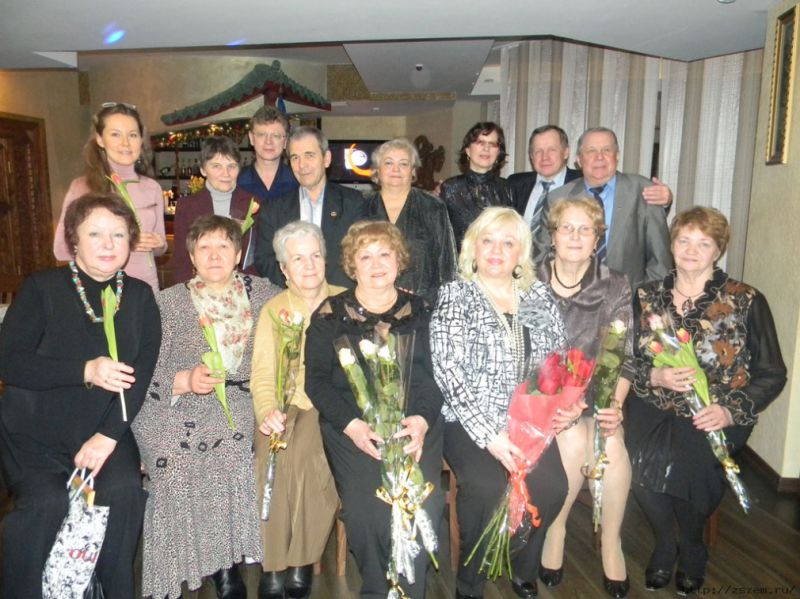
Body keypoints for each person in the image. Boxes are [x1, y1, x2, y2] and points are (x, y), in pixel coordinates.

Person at [0, 193, 161, 599]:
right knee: (45, 504)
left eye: (118, 235)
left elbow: (139, 378)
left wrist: (108, 436)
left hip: (103, 430)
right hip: (34, 435)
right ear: (74, 239)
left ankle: (114, 590)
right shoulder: (42, 288)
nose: (108, 244)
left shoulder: (141, 297)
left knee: (124, 492)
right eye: (95, 234)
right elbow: (9, 362)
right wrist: (85, 370)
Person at [627, 207, 786, 595]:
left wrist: (730, 411)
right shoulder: (647, 296)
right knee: (638, 469)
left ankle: (692, 545)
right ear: (672, 245)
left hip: (716, 411)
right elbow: (625, 358)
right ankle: (666, 542)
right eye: (684, 240)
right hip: (654, 404)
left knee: (692, 468)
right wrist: (655, 376)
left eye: (704, 243)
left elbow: (772, 372)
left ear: (718, 250)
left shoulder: (745, 300)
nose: (691, 250)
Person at [132, 215, 280, 599]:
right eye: (204, 248)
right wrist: (184, 380)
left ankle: (226, 565)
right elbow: (145, 367)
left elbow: (297, 328)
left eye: (223, 247)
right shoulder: (167, 303)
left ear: (238, 254)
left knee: (227, 450)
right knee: (175, 460)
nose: (214, 256)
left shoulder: (265, 295)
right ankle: (204, 561)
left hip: (245, 398)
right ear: (192, 256)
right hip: (180, 400)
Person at [430, 206, 570, 599]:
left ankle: (522, 565)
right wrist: (490, 435)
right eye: (487, 240)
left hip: (528, 420)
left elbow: (555, 358)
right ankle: (470, 582)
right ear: (472, 248)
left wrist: (557, 409)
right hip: (468, 421)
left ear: (520, 253)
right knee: (485, 487)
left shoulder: (536, 295)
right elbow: (448, 372)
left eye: (508, 243)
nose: (496, 250)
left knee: (553, 487)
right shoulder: (456, 296)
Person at [305, 221, 445, 599]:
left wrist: (421, 421)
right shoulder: (329, 315)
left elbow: (438, 376)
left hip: (413, 425)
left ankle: (410, 591)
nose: (377, 263)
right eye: (365, 256)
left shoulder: (423, 311)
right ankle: (376, 589)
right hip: (354, 428)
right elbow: (316, 382)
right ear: (352, 266)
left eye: (385, 254)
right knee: (366, 511)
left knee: (421, 503)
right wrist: (352, 425)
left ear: (400, 261)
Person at [534, 197, 633, 598]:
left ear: (597, 239)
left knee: (612, 443)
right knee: (573, 437)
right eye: (567, 228)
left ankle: (611, 542)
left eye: (585, 229)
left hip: (599, 392)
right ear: (553, 236)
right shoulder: (529, 279)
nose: (575, 236)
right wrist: (561, 401)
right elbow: (522, 354)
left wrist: (614, 406)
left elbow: (623, 355)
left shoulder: (615, 283)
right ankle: (555, 529)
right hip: (541, 395)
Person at [250, 221, 342, 599]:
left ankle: (302, 558)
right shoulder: (275, 309)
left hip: (330, 404)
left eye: (315, 255)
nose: (309, 265)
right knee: (268, 454)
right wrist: (267, 411)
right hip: (285, 402)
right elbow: (262, 372)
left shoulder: (345, 301)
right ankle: (273, 562)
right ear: (284, 269)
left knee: (304, 455)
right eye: (298, 259)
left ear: (326, 259)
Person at [534, 126, 673, 291]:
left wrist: (646, 300)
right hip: (572, 299)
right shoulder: (558, 198)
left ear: (617, 155)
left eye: (606, 150)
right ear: (579, 159)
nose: (599, 157)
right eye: (591, 151)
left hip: (630, 298)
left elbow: (660, 259)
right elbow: (541, 255)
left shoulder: (644, 191)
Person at [54, 102, 167, 291]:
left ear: (141, 140)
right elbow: (61, 249)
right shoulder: (81, 188)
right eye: (115, 134)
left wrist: (157, 244)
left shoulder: (152, 187)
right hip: (99, 288)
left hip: (146, 287)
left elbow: (160, 248)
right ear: (100, 139)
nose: (125, 143)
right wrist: (123, 242)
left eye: (133, 135)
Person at [254, 126, 368, 288]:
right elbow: (265, 260)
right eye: (295, 158)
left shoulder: (354, 203)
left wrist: (330, 293)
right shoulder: (273, 209)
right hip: (291, 297)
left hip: (341, 296)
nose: (302, 165)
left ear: (326, 158)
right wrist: (297, 288)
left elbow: (363, 253)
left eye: (309, 155)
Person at [364, 137, 458, 304]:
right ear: (377, 170)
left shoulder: (433, 206)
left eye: (404, 164)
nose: (396, 169)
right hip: (371, 301)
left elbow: (447, 262)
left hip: (423, 305)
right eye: (388, 163)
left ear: (413, 171)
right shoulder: (361, 205)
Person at [171, 135, 259, 283]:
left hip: (243, 286)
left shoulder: (254, 203)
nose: (226, 174)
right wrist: (189, 290)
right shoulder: (186, 206)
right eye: (216, 166)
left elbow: (259, 257)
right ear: (203, 170)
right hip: (200, 286)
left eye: (231, 166)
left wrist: (247, 286)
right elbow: (181, 259)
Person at [440, 122, 515, 248]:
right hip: (462, 259)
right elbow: (441, 237)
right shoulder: (450, 188)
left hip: (498, 257)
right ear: (468, 150)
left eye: (492, 144)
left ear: (498, 153)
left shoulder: (507, 188)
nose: (486, 148)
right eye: (480, 142)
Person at [507, 125, 582, 235]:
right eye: (538, 151)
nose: (545, 157)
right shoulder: (514, 183)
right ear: (531, 156)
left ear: (566, 153)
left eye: (552, 150)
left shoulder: (583, 184)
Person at [237, 105, 298, 202]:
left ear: (285, 141)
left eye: (276, 135)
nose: (268, 141)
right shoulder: (235, 181)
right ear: (251, 138)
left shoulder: (298, 182)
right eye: (261, 135)